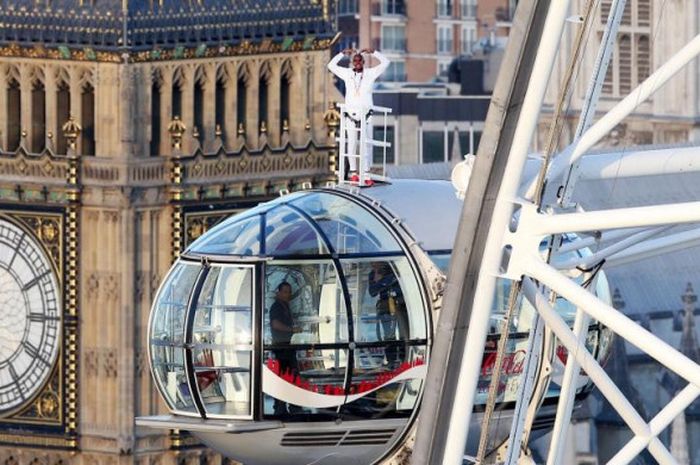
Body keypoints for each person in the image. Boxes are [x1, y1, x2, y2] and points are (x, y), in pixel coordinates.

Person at [327, 48, 390, 185]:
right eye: (355, 61)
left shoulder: (370, 73)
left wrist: (373, 52)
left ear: (364, 62)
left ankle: (366, 173)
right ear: (352, 62)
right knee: (352, 144)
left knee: (367, 145)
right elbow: (331, 66)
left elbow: (386, 62)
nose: (357, 63)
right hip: (350, 115)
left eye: (360, 60)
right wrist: (342, 53)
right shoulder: (347, 73)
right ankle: (353, 173)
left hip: (366, 115)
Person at [368, 262, 409, 368]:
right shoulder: (373, 274)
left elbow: (403, 287)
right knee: (389, 336)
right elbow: (372, 292)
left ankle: (404, 359)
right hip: (386, 307)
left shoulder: (397, 271)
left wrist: (385, 281)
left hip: (401, 305)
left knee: (404, 334)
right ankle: (392, 361)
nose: (373, 266)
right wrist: (386, 281)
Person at [269, 281, 298, 415]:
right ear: (279, 292)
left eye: (289, 292)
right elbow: (275, 324)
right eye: (285, 292)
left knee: (290, 376)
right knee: (285, 377)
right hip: (282, 348)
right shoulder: (276, 307)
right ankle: (282, 406)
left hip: (287, 347)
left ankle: (290, 404)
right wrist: (291, 329)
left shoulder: (285, 306)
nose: (288, 295)